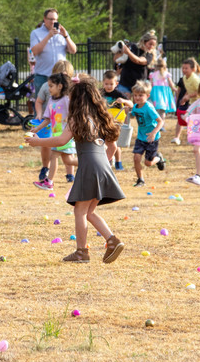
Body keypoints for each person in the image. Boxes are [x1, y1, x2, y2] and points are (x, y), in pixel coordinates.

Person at [26, 77, 125, 264]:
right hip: (102, 166)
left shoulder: (77, 118)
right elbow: (112, 147)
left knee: (79, 211)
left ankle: (81, 252)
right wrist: (103, 164)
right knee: (89, 212)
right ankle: (112, 241)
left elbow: (61, 140)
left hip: (89, 167)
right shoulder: (101, 118)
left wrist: (37, 141)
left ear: (77, 99)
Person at [27, 73, 76, 190]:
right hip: (56, 135)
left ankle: (49, 182)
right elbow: (48, 119)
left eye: (51, 86)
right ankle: (92, 164)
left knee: (53, 156)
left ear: (60, 86)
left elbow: (73, 114)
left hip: (65, 135)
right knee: (68, 160)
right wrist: (38, 128)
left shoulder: (66, 100)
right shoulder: (51, 100)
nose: (48, 89)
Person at [29, 9, 77, 92]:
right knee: (42, 102)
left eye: (55, 19)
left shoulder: (62, 33)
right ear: (44, 19)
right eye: (50, 19)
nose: (53, 22)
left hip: (60, 76)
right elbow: (34, 51)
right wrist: (48, 36)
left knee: (61, 102)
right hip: (43, 76)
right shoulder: (36, 33)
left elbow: (73, 50)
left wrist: (66, 36)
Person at [129, 80, 166, 188]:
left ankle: (158, 158)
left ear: (147, 96)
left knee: (148, 163)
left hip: (152, 139)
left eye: (140, 95)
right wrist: (128, 111)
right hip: (141, 137)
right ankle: (140, 180)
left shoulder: (149, 107)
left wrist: (154, 133)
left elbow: (160, 121)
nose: (137, 98)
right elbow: (134, 115)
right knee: (136, 158)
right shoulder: (136, 106)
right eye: (135, 95)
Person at [100, 70, 131, 170]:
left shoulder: (118, 94)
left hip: (116, 122)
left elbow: (131, 104)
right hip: (103, 121)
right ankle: (107, 160)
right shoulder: (100, 93)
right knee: (104, 142)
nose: (109, 86)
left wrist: (124, 101)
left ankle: (118, 162)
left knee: (114, 143)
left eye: (111, 84)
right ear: (103, 83)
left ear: (116, 84)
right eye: (106, 84)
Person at [116, 30, 158, 97]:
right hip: (125, 81)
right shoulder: (132, 46)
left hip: (139, 84)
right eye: (150, 44)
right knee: (123, 105)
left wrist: (128, 52)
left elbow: (138, 61)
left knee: (138, 105)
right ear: (144, 42)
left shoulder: (149, 55)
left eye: (153, 45)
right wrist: (121, 50)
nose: (151, 47)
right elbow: (117, 58)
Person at [172, 58, 200, 145]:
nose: (184, 70)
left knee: (194, 121)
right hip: (192, 103)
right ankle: (191, 138)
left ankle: (195, 138)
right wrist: (185, 98)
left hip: (199, 103)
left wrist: (188, 96)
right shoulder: (185, 78)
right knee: (189, 120)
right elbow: (189, 89)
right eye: (183, 68)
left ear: (193, 69)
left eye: (186, 68)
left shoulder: (195, 79)